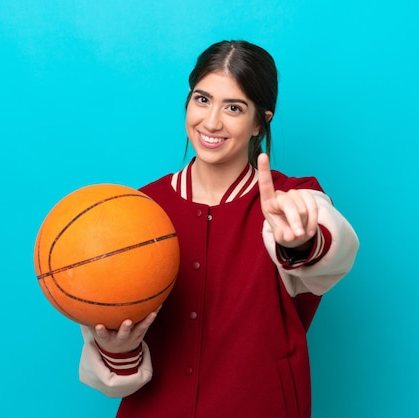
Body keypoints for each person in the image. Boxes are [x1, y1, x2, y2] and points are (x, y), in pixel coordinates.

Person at [79, 40, 359, 418]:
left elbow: (332, 244)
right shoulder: (139, 210)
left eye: (234, 107)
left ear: (261, 121)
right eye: (202, 99)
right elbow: (116, 370)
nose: (211, 122)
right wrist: (117, 348)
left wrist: (301, 242)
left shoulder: (292, 199)